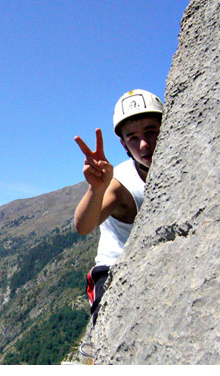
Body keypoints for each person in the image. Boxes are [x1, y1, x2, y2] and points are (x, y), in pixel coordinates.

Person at [74, 89, 163, 325]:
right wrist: (97, 189)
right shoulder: (122, 184)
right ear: (123, 145)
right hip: (113, 271)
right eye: (133, 137)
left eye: (151, 132)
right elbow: (83, 226)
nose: (144, 144)